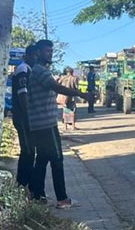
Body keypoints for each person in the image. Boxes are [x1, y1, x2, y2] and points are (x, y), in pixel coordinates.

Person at [28, 39, 88, 208]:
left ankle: (37, 195)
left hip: (39, 122)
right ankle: (62, 198)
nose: (50, 54)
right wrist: (81, 94)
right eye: (47, 51)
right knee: (57, 158)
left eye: (51, 51)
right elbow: (57, 87)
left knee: (42, 159)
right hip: (45, 123)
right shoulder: (41, 71)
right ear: (39, 53)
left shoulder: (38, 70)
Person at [13, 44, 38, 188]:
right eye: (33, 55)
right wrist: (29, 115)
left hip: (26, 117)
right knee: (28, 151)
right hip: (23, 117)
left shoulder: (28, 69)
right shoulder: (23, 69)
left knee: (30, 151)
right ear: (27, 55)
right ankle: (22, 184)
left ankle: (26, 184)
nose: (35, 58)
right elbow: (23, 94)